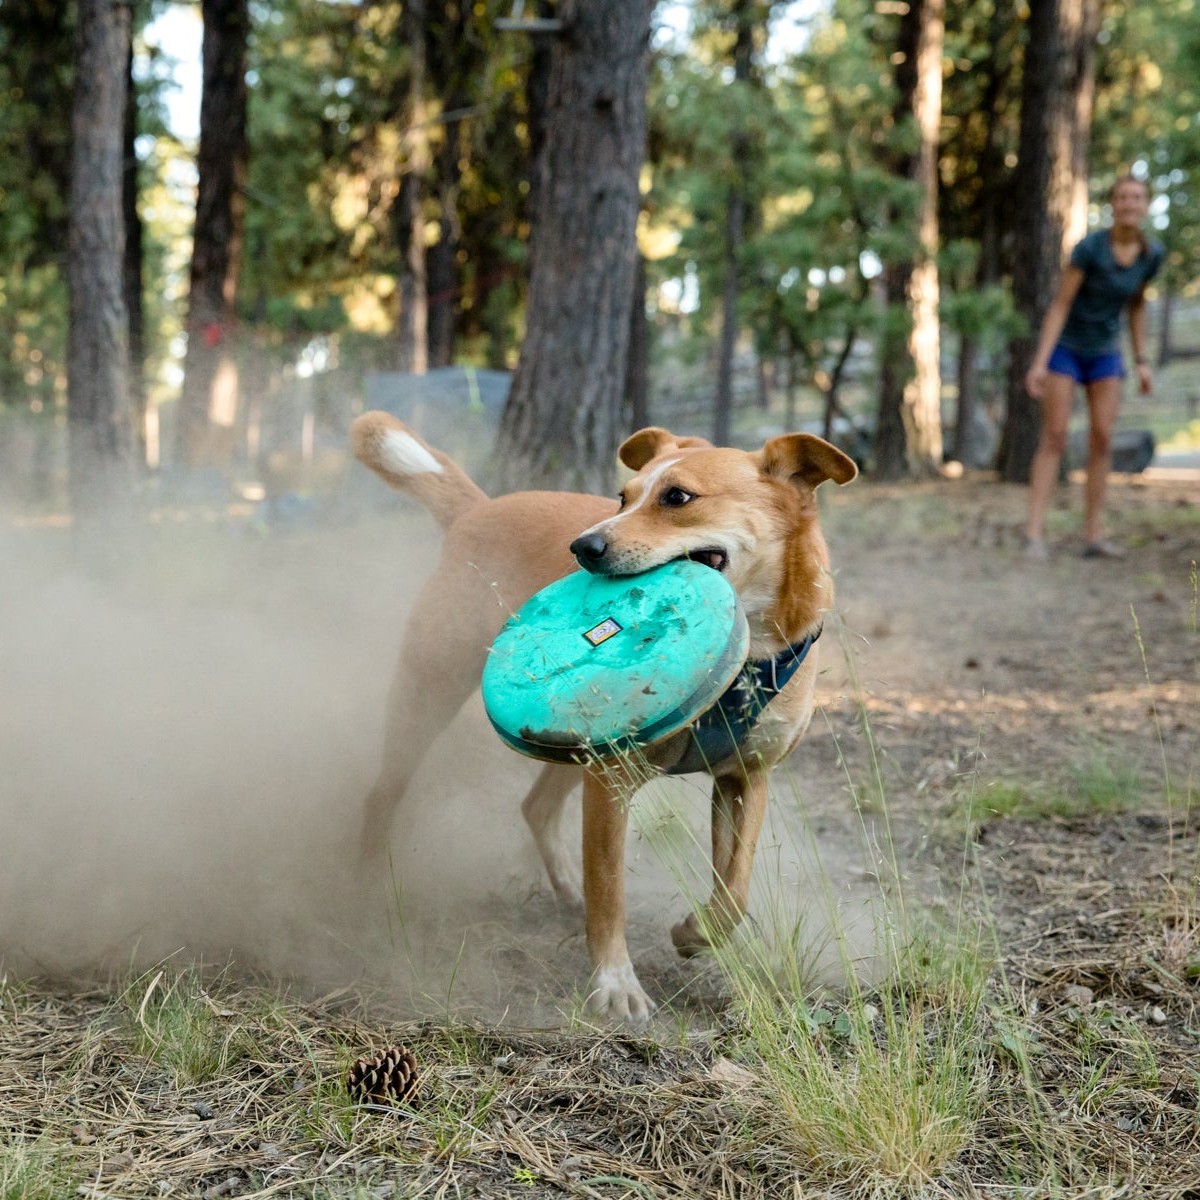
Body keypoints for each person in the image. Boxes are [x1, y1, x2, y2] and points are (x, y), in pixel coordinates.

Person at [1022, 175, 1164, 560]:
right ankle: (1034, 533)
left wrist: (1141, 361)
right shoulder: (1090, 249)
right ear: (1113, 204)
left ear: (1146, 204)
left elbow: (1136, 305)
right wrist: (1039, 362)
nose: (1129, 204)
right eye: (1122, 197)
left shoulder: (1152, 254)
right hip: (1066, 350)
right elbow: (1061, 304)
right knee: (1054, 435)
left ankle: (1093, 535)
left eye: (1136, 197)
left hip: (1106, 352)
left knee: (1102, 438)